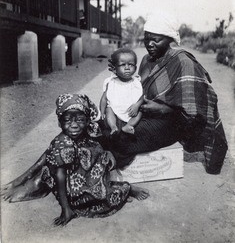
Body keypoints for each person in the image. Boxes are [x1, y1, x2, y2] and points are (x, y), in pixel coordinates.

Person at [106, 13, 228, 175]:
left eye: (156, 40)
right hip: (138, 114)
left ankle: (113, 165)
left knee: (120, 138)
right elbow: (135, 89)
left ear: (170, 39)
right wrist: (118, 76)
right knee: (103, 126)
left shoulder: (183, 63)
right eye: (147, 38)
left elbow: (196, 109)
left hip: (169, 123)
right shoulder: (146, 60)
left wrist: (163, 109)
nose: (150, 44)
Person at [2, 93, 149, 226]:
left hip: (93, 169)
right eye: (67, 120)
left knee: (101, 193)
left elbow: (103, 140)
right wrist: (66, 209)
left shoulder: (91, 129)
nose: (74, 125)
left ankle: (127, 188)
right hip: (72, 179)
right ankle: (123, 189)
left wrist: (108, 152)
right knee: (82, 199)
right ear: (60, 123)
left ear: (86, 121)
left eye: (80, 120)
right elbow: (60, 176)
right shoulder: (62, 144)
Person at [100, 48, 143, 135]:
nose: (127, 68)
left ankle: (128, 125)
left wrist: (137, 105)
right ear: (115, 68)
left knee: (141, 111)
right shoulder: (111, 82)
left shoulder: (136, 82)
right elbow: (104, 98)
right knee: (109, 109)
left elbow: (142, 96)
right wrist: (102, 111)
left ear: (135, 68)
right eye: (123, 65)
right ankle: (113, 126)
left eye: (131, 64)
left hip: (131, 109)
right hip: (115, 108)